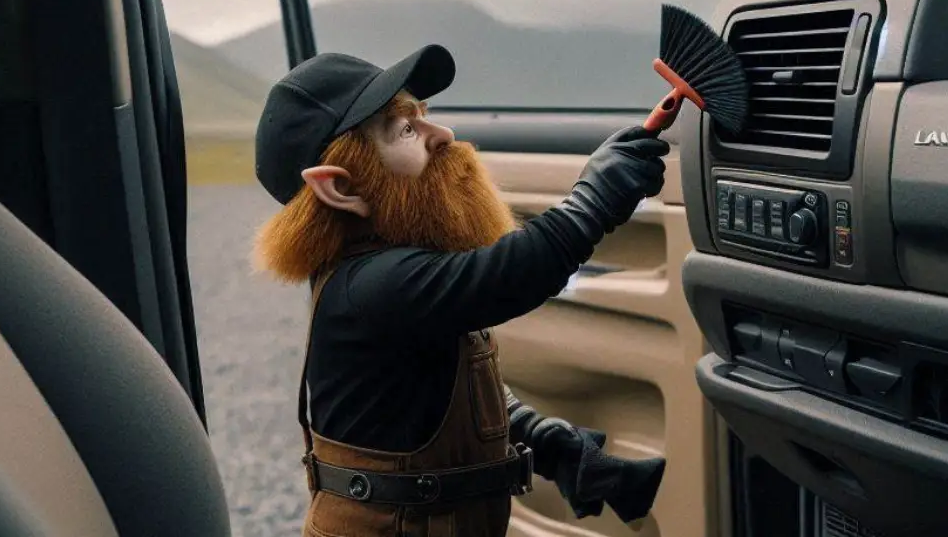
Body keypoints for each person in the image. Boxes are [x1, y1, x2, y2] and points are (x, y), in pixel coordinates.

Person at [252, 44, 669, 537]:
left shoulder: (388, 279)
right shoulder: (375, 286)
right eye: (406, 128)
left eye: (425, 115)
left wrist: (539, 438)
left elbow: (429, 392)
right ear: (341, 188)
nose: (442, 134)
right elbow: (511, 275)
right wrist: (593, 200)